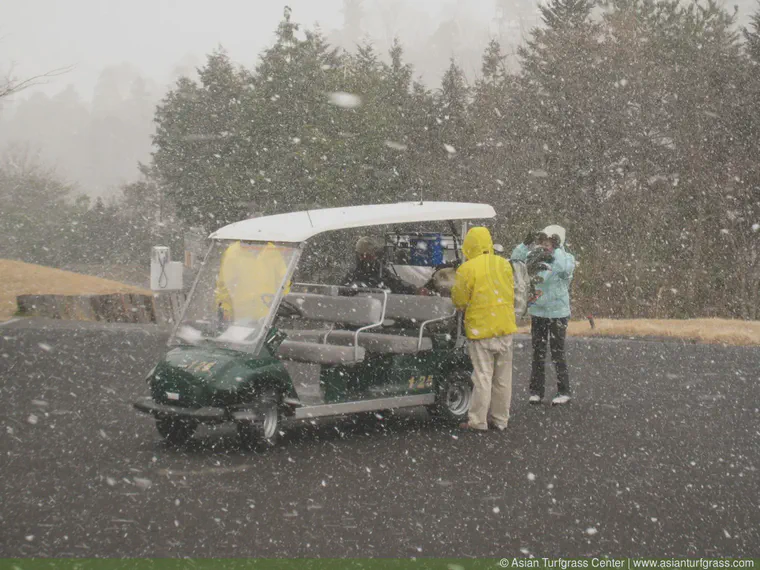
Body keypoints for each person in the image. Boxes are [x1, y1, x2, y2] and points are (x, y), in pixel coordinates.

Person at [451, 227, 517, 432]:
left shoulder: (467, 269)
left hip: (481, 331)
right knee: (503, 379)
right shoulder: (504, 264)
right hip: (505, 328)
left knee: (482, 377)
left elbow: (459, 301)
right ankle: (500, 419)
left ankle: (478, 421)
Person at [511, 225, 576, 405]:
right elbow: (515, 260)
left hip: (558, 313)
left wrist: (557, 250)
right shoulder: (535, 256)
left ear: (558, 242)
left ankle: (564, 391)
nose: (546, 245)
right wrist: (525, 245)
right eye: (544, 242)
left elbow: (564, 269)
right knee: (538, 352)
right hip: (538, 311)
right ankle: (536, 391)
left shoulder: (566, 258)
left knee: (557, 352)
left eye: (550, 242)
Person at [215, 241, 291, 324]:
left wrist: (279, 300)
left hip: (267, 313)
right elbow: (225, 283)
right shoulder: (233, 252)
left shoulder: (271, 250)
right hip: (242, 313)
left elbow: (283, 279)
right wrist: (225, 307)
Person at [341, 236, 418, 295]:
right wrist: (373, 286)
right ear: (359, 255)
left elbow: (396, 282)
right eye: (366, 255)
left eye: (373, 254)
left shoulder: (379, 269)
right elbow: (345, 290)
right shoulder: (353, 273)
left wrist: (413, 290)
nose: (372, 257)